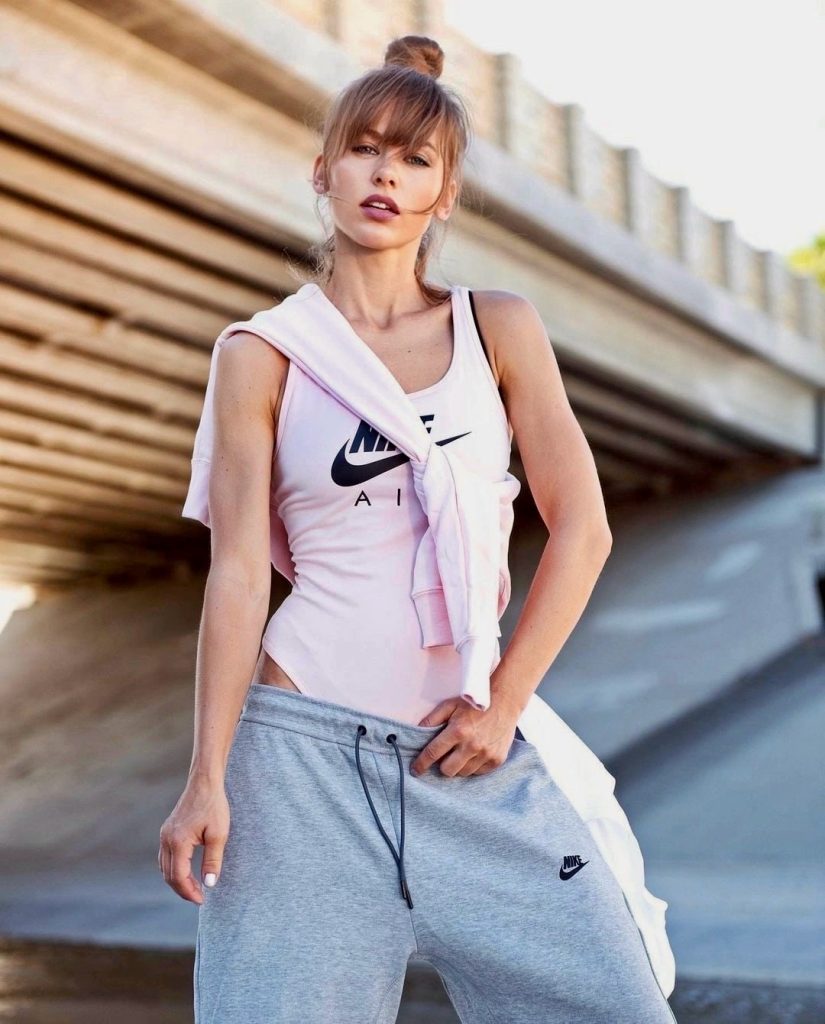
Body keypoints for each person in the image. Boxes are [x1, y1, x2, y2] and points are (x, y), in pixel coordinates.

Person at [159, 34, 677, 1023]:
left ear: (445, 194)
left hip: (469, 749)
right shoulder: (263, 354)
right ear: (323, 171)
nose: (385, 174)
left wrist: (503, 704)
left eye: (414, 158)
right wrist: (206, 778)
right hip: (302, 760)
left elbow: (583, 529)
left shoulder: (498, 327)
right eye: (363, 149)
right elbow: (238, 575)